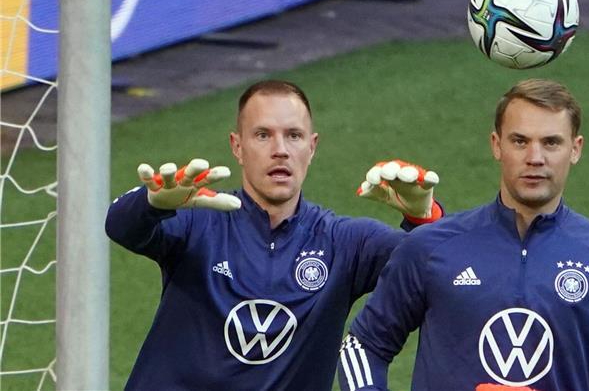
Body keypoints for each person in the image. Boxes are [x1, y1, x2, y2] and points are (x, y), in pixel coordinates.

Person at [105, 79, 443, 390]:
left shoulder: (345, 243)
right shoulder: (199, 222)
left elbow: (438, 272)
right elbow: (120, 227)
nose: (280, 150)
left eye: (293, 136)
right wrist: (150, 204)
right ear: (237, 146)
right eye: (263, 135)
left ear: (312, 147)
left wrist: (422, 216)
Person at [338, 78, 589, 391]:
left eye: (551, 142)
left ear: (575, 149)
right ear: (496, 145)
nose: (535, 158)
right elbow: (363, 346)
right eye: (520, 141)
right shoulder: (430, 247)